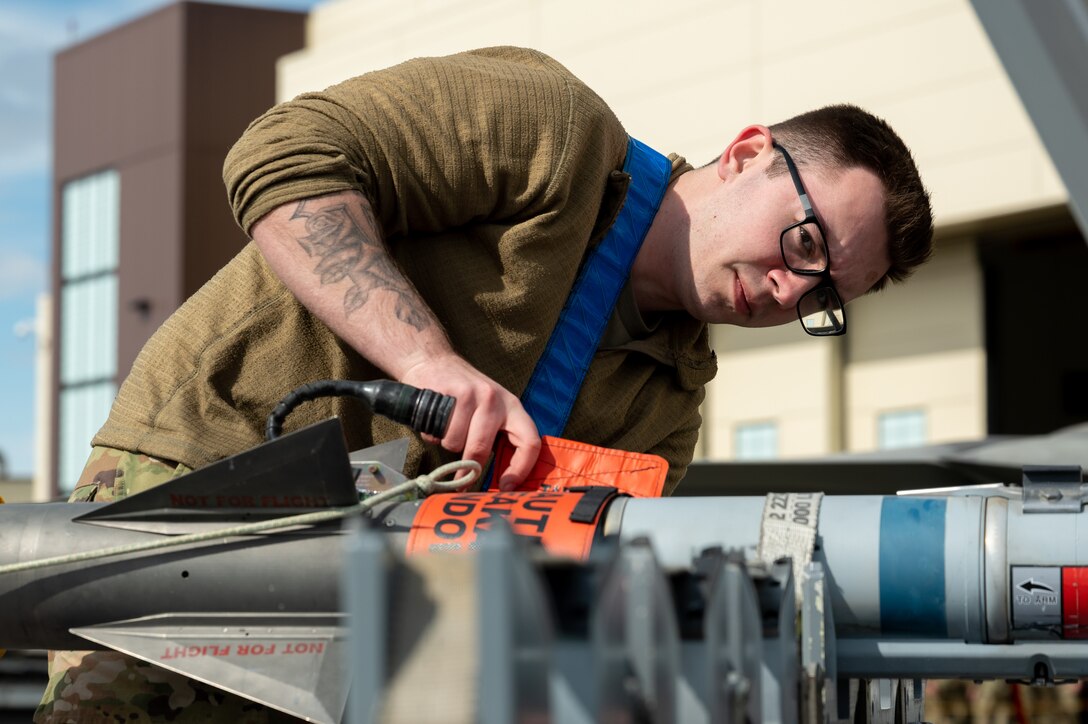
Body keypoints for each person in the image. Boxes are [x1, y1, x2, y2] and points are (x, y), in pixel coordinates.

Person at [37, 46, 932, 722]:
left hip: (379, 614)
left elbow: (547, 594)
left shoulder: (667, 410)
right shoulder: (556, 131)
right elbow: (284, 157)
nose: (789, 290)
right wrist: (427, 363)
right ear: (745, 155)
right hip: (216, 483)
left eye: (823, 297)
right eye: (805, 244)